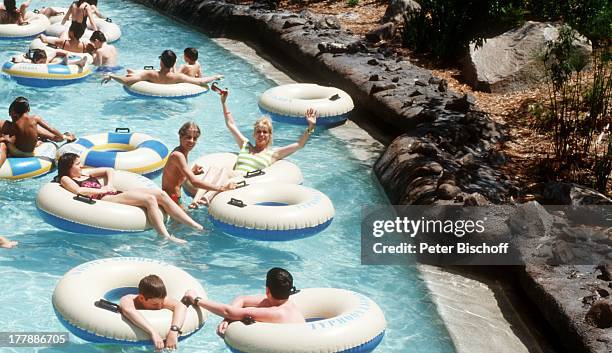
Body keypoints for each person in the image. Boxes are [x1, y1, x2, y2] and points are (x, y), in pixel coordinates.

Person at [189, 90, 317, 208]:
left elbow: (299, 144)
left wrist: (310, 126)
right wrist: (224, 103)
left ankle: (207, 198)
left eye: (265, 132)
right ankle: (196, 199)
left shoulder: (273, 154)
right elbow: (231, 124)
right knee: (214, 168)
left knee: (224, 171)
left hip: (246, 181)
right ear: (254, 134)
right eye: (259, 131)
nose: (261, 134)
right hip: (230, 178)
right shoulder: (245, 146)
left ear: (269, 135)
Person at [56, 153, 204, 244]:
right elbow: (79, 190)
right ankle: (165, 236)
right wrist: (102, 189)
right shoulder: (66, 178)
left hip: (111, 193)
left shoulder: (86, 173)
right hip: (103, 200)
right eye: (77, 164)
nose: (81, 165)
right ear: (69, 167)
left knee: (161, 194)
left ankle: (194, 225)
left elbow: (109, 170)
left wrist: (110, 185)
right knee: (150, 200)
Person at [183, 268, 304, 338]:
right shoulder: (286, 304)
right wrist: (227, 320)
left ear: (267, 290)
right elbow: (242, 299)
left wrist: (196, 300)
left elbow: (228, 311)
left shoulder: (276, 313)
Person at [162, 122, 237, 207]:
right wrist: (222, 188)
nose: (192, 141)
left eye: (195, 138)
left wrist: (192, 172)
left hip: (174, 196)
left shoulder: (182, 152)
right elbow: (194, 182)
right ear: (180, 137)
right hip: (172, 197)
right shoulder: (178, 155)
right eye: (188, 137)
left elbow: (175, 178)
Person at [119, 275, 187, 350]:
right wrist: (153, 332)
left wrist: (173, 331)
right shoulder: (128, 299)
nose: (159, 307)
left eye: (162, 303)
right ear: (141, 298)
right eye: (154, 304)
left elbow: (181, 307)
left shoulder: (159, 299)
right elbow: (128, 310)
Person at [3, 97, 75, 158]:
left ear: (17, 112)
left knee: (52, 136)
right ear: (28, 109)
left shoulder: (16, 123)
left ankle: (65, 137)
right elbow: (51, 129)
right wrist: (62, 136)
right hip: (28, 152)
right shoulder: (35, 119)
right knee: (54, 137)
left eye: (13, 115)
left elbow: (15, 140)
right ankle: (66, 137)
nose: (12, 118)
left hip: (18, 152)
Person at [102, 49, 222, 86]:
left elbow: (126, 81)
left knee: (134, 73)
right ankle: (134, 72)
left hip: (151, 90)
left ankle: (134, 72)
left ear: (161, 62)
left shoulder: (151, 74)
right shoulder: (178, 77)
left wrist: (112, 75)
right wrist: (215, 76)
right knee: (134, 72)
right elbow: (200, 80)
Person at [11, 48, 88, 68]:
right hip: (57, 64)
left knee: (55, 63)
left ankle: (80, 62)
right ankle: (64, 62)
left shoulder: (46, 61)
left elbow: (56, 52)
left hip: (53, 66)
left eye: (44, 61)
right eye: (41, 62)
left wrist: (67, 53)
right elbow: (22, 60)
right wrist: (17, 59)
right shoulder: (31, 63)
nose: (43, 63)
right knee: (59, 63)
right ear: (35, 60)